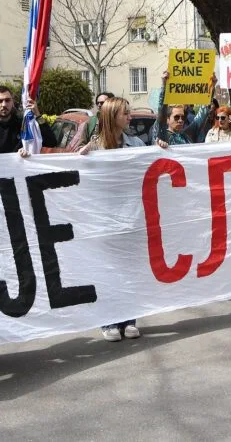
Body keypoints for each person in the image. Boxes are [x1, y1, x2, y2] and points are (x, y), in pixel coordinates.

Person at [77, 97, 169, 340]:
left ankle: (129, 319)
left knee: (129, 271)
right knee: (108, 272)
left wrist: (158, 148)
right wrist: (80, 158)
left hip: (131, 219)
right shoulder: (93, 148)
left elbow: (152, 162)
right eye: (125, 113)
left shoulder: (137, 143)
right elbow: (75, 175)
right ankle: (108, 321)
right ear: (111, 117)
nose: (130, 117)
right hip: (104, 222)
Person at [155, 71, 217, 144]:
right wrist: (164, 86)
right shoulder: (163, 135)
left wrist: (211, 86)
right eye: (176, 117)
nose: (180, 120)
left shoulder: (187, 134)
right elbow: (162, 109)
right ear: (168, 119)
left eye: (183, 117)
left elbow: (203, 112)